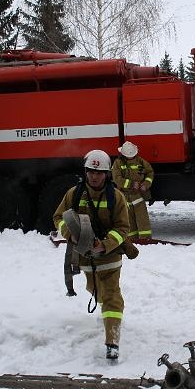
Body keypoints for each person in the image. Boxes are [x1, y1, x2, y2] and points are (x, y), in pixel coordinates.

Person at [53, 149, 130, 360]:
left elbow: (123, 228)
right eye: (90, 172)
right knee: (94, 289)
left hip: (110, 257)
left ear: (106, 174)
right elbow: (58, 217)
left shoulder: (117, 197)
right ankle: (106, 310)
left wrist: (105, 245)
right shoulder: (73, 194)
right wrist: (71, 234)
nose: (94, 176)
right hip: (84, 257)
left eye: (99, 172)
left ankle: (112, 342)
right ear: (85, 172)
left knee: (112, 296)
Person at [111, 141, 154, 240]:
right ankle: (132, 239)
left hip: (138, 195)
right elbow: (117, 179)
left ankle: (145, 238)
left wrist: (146, 184)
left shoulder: (141, 161)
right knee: (128, 218)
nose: (131, 158)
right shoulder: (118, 163)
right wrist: (131, 184)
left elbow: (150, 173)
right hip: (124, 195)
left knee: (142, 217)